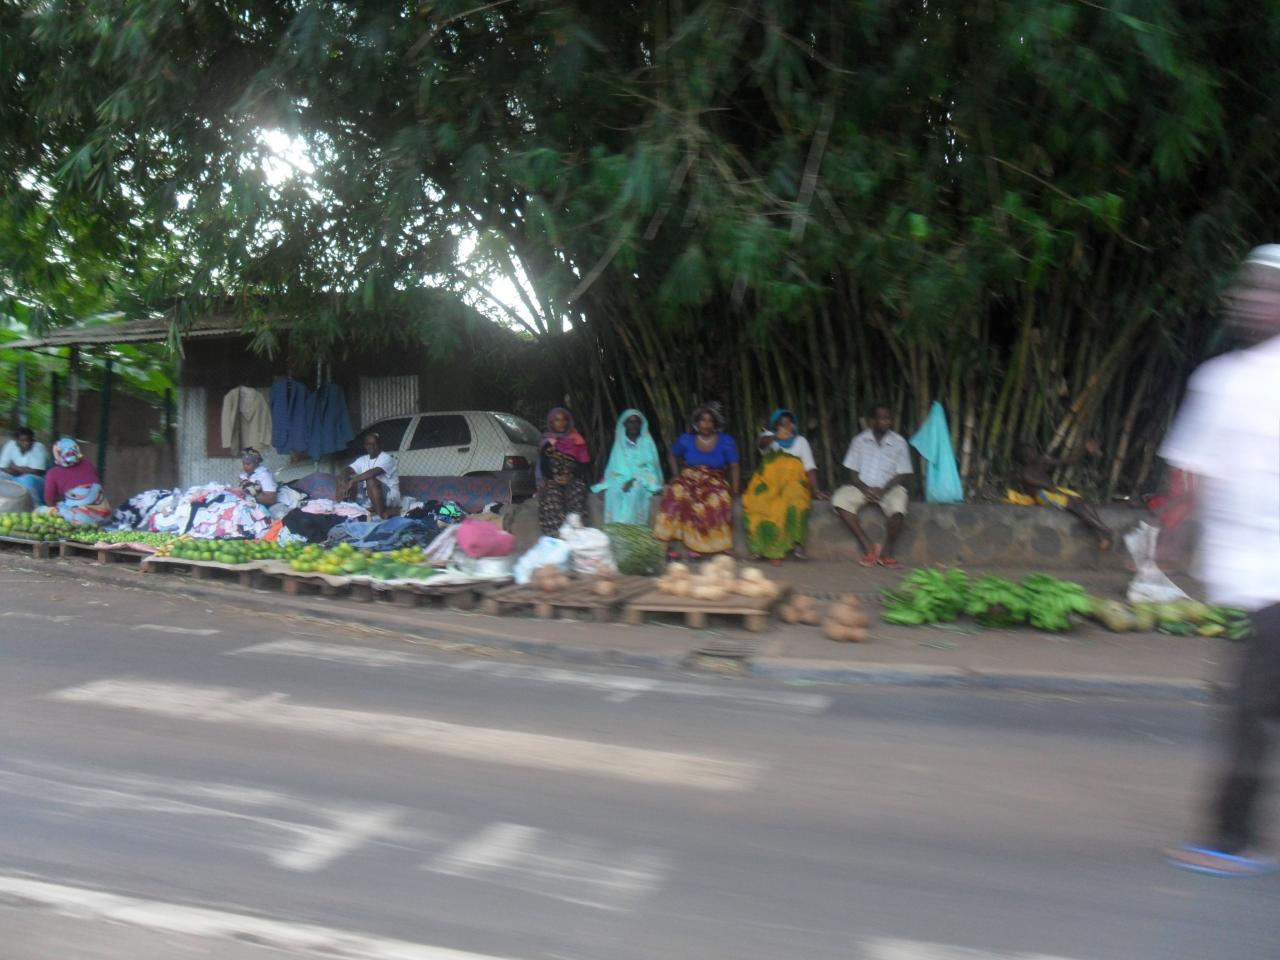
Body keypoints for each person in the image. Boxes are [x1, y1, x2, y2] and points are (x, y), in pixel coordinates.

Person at [1161, 244, 1280, 878]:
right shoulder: (1222, 379)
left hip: (1275, 586)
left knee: (1244, 709)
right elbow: (1191, 471)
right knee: (1256, 706)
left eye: (1272, 290)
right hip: (1250, 579)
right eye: (1251, 288)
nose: (1257, 300)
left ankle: (1230, 840)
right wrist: (1174, 535)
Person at [654, 403, 740, 559]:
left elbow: (734, 466)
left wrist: (735, 488)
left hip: (714, 478)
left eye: (709, 421)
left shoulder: (726, 441)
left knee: (716, 499)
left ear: (715, 424)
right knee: (675, 494)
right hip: (689, 476)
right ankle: (667, 545)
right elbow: (672, 455)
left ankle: (715, 545)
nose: (706, 424)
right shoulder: (686, 440)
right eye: (702, 420)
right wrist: (675, 474)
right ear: (697, 422)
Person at [831, 403, 913, 567]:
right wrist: (864, 488)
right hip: (862, 488)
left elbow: (904, 473)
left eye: (888, 418)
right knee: (839, 500)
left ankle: (886, 553)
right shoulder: (859, 440)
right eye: (881, 418)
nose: (885, 422)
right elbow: (852, 472)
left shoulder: (899, 442)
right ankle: (869, 546)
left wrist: (883, 489)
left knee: (898, 508)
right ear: (871, 421)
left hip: (889, 488)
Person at [743, 409, 826, 563]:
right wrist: (776, 436)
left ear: (794, 425)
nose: (787, 426)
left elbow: (810, 467)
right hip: (768, 482)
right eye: (782, 424)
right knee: (758, 502)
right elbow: (761, 444)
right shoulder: (768, 438)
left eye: (789, 423)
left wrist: (816, 490)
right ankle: (759, 548)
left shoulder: (801, 441)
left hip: (793, 482)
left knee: (796, 500)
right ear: (775, 426)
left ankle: (797, 545)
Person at [1014, 439, 1112, 551]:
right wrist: (1066, 495)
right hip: (1043, 496)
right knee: (1075, 505)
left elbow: (1068, 461)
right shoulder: (1026, 474)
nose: (1035, 452)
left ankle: (1102, 538)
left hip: (1054, 491)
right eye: (1031, 451)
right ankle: (1105, 529)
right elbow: (1047, 486)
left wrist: (1085, 449)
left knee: (1084, 502)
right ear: (1026, 458)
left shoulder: (1041, 462)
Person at [592, 409, 662, 526]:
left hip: (641, 481)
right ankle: (614, 530)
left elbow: (651, 469)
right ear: (624, 424)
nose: (633, 425)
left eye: (636, 422)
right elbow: (612, 469)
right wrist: (605, 486)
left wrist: (635, 479)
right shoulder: (619, 444)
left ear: (641, 424)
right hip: (620, 479)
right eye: (629, 422)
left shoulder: (647, 443)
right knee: (612, 492)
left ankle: (631, 529)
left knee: (634, 491)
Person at [537, 407, 592, 535]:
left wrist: (571, 476)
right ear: (551, 423)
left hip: (572, 479)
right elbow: (544, 466)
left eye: (564, 420)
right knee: (552, 493)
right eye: (557, 420)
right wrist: (554, 477)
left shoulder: (577, 441)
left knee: (577, 489)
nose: (561, 423)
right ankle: (556, 533)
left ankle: (576, 530)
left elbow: (584, 465)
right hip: (553, 479)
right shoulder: (547, 443)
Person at [43, 438, 111, 526]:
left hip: (82, 520)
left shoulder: (53, 473)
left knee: (42, 511)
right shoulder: (88, 464)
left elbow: (49, 501)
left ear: (57, 454)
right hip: (104, 516)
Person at [337, 431, 400, 519]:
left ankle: (380, 516)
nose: (372, 447)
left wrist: (352, 481)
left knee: (370, 480)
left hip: (390, 496)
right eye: (369, 444)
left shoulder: (387, 458)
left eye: (375, 444)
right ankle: (339, 510)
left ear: (380, 445)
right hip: (369, 495)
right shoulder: (363, 459)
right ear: (365, 446)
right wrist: (344, 480)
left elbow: (372, 473)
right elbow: (347, 470)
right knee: (342, 478)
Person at [0, 426, 49, 506]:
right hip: (16, 476)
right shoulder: (10, 445)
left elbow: (37, 471)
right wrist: (24, 470)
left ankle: (33, 506)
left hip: (37, 479)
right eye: (22, 441)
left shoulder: (39, 447)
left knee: (27, 479)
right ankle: (5, 505)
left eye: (29, 441)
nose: (26, 443)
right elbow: (3, 467)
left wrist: (14, 467)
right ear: (16, 441)